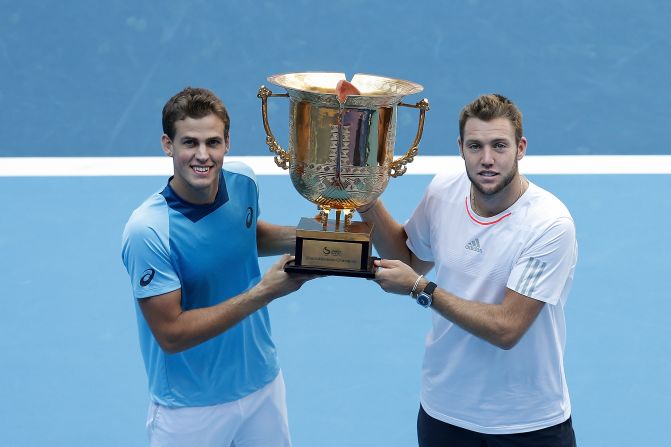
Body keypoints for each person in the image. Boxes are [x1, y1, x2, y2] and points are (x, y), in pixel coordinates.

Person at [359, 93, 578, 446]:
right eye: (475, 146)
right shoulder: (445, 190)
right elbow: (410, 258)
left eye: (499, 146)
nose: (487, 159)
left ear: (520, 148)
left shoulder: (549, 224)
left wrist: (421, 288)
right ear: (460, 147)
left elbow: (507, 328)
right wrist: (366, 200)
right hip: (443, 413)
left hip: (526, 425)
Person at [121, 87, 314, 447]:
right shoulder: (147, 231)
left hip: (263, 386)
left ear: (227, 143)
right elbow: (171, 334)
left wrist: (315, 239)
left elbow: (242, 236)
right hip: (190, 410)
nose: (202, 155)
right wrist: (263, 292)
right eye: (189, 143)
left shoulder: (243, 182)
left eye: (213, 142)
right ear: (168, 145)